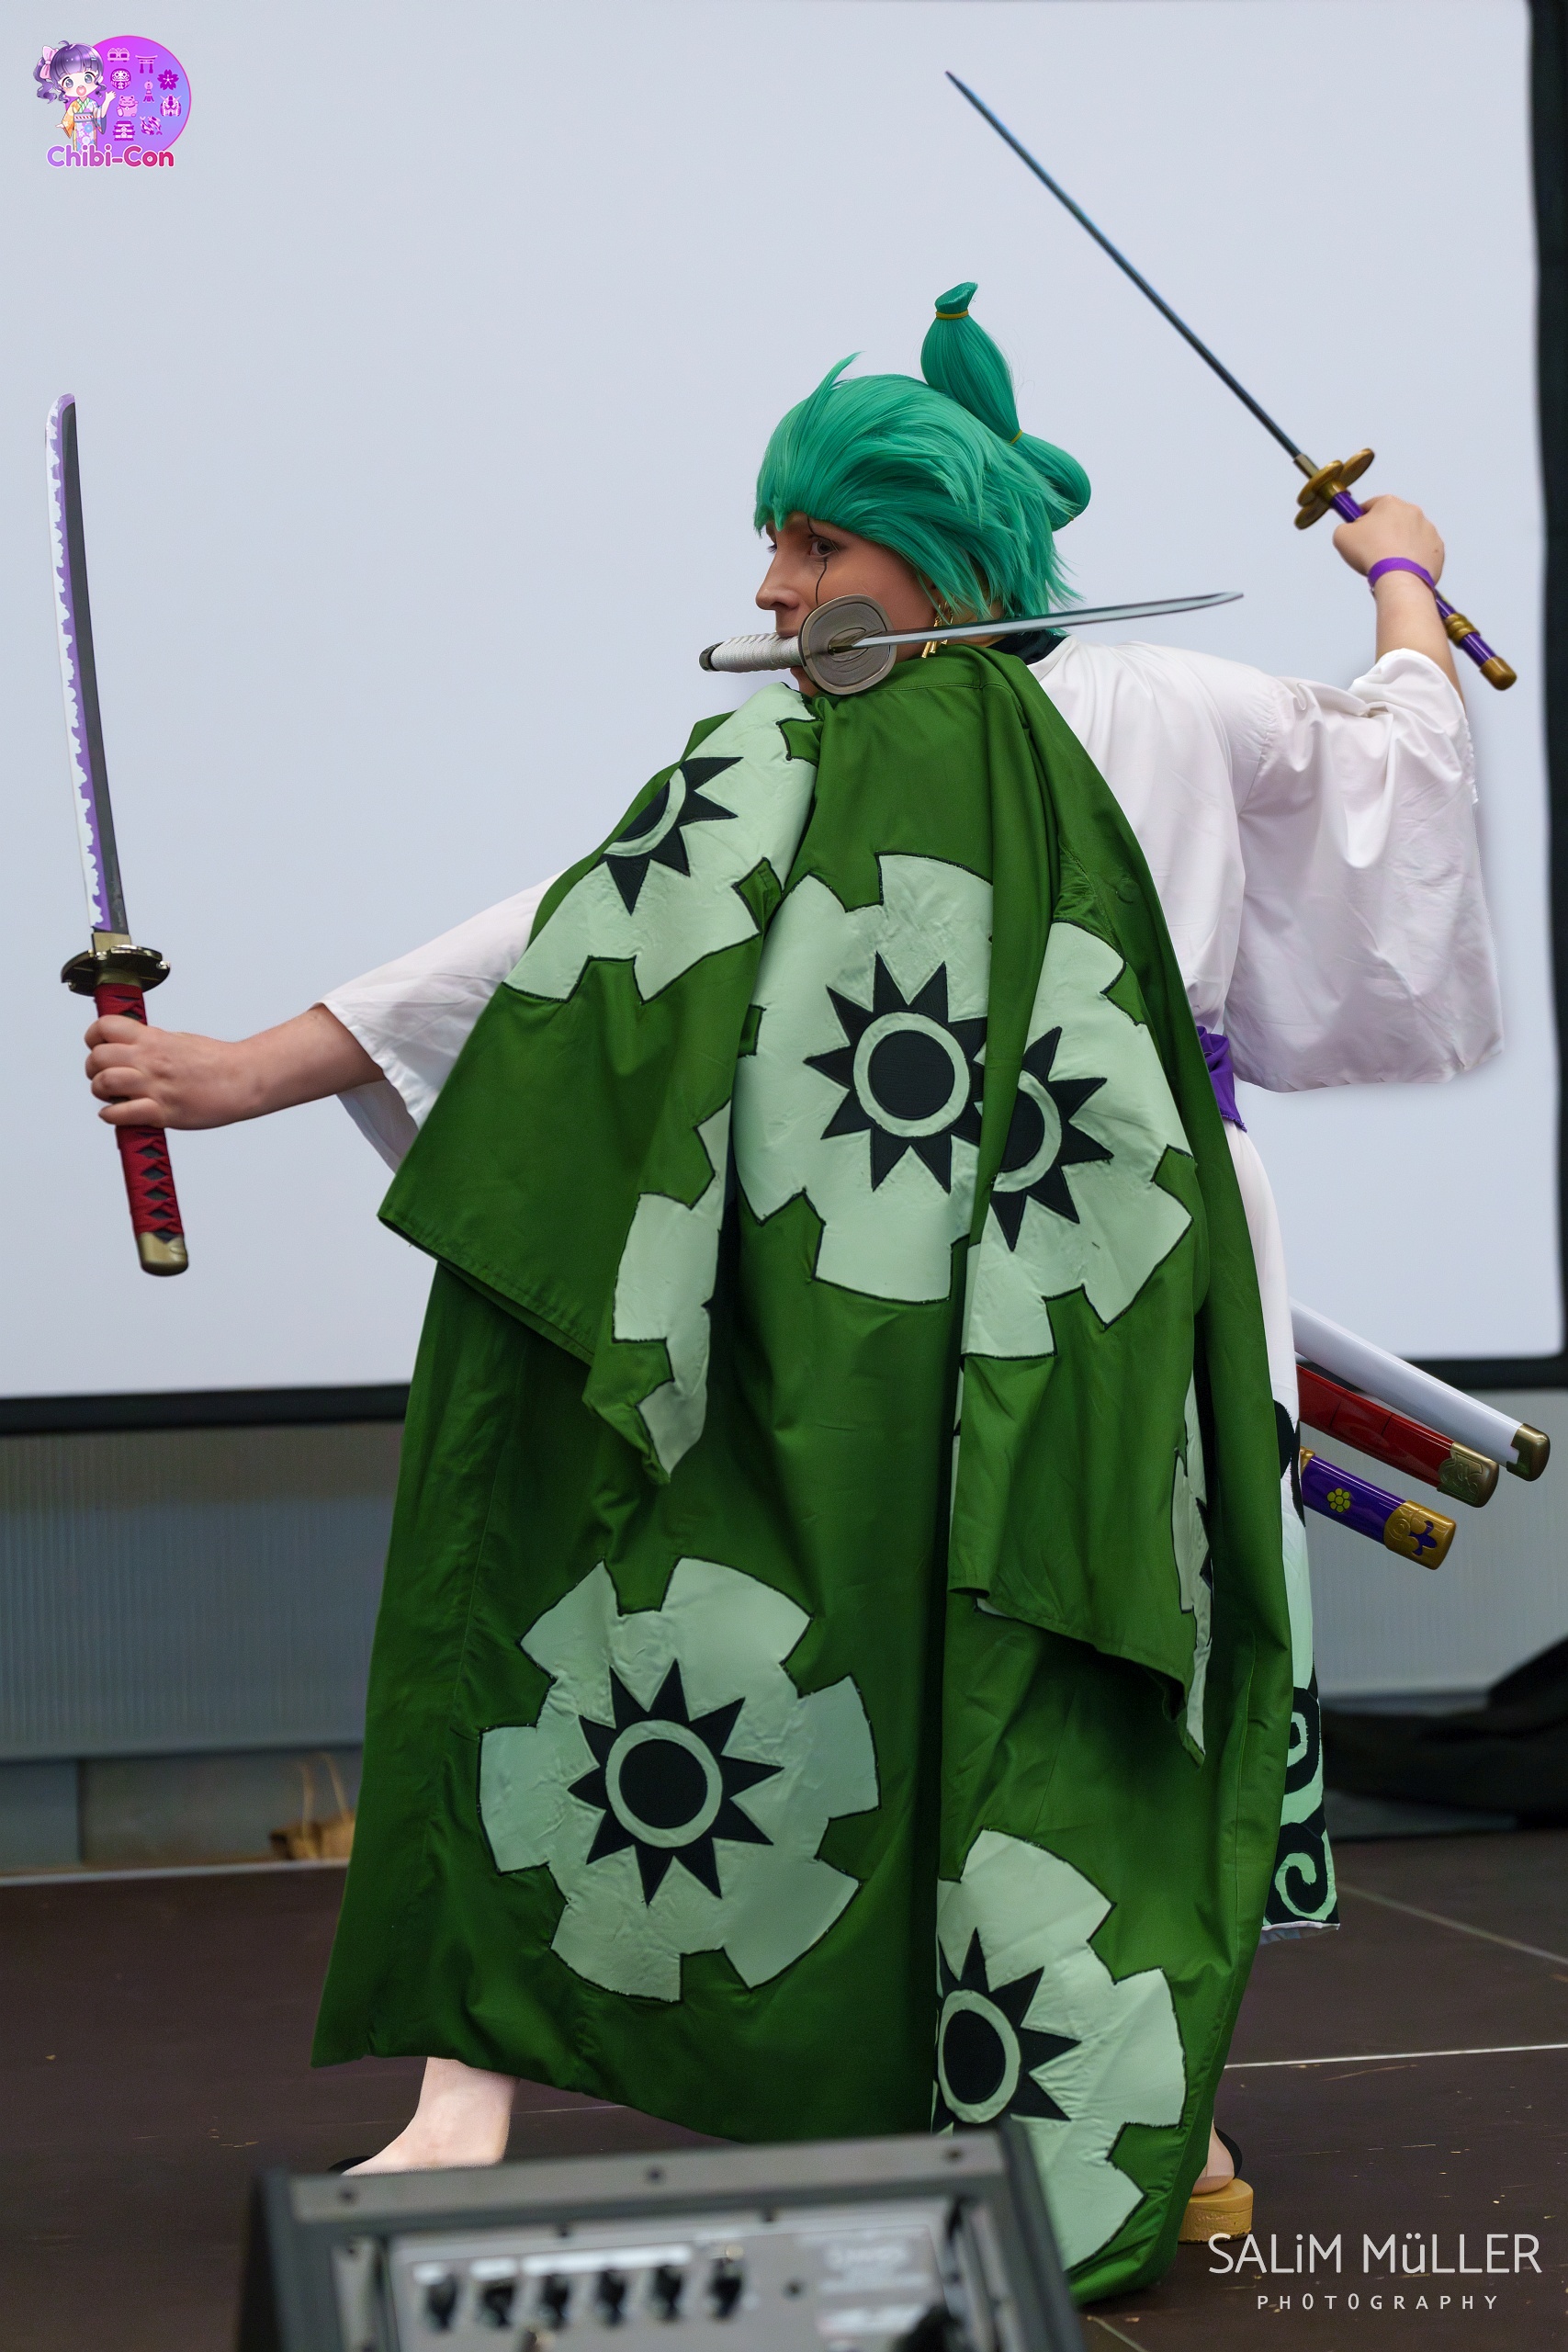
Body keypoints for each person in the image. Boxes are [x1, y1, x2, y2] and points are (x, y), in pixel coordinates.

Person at [82, 286, 1498, 2301]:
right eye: (778, 542)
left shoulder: (1161, 707)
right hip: (855, 1295)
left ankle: (1145, 2093)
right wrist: (238, 1073)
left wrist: (1400, 586)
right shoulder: (787, 741)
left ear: (938, 560)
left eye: (816, 543)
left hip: (1116, 1283)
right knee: (672, 1598)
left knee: (1115, 1658)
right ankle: (485, 2079)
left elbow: (1382, 759)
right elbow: (573, 937)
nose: (772, 585)